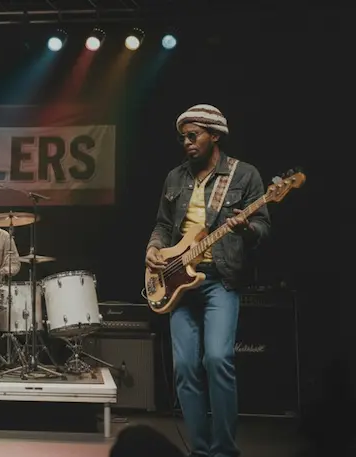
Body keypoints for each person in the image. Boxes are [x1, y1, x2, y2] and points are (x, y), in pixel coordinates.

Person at [145, 104, 270, 457]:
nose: (186, 142)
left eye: (193, 135)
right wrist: (153, 248)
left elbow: (263, 227)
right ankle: (200, 451)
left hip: (221, 280)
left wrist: (245, 228)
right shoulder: (175, 177)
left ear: (214, 135)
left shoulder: (244, 175)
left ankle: (224, 450)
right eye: (182, 137)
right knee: (185, 367)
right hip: (177, 280)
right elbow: (164, 225)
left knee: (217, 359)